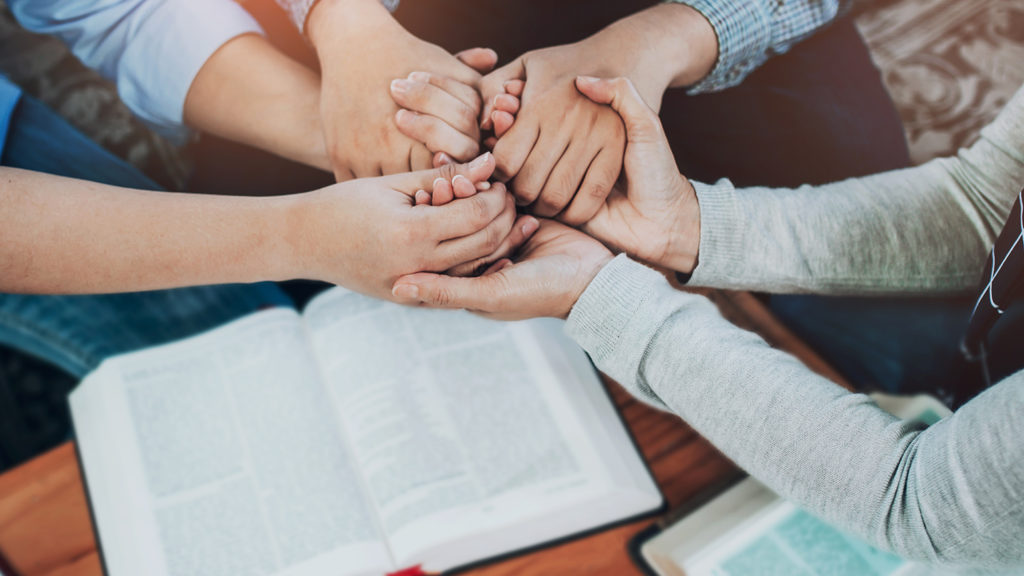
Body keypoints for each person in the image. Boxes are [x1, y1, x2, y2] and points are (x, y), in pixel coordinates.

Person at [389, 76, 1024, 568]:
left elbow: (921, 504)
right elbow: (982, 201)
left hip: (945, 497)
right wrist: (690, 226)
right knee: (802, 313)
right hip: (988, 351)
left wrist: (597, 296)